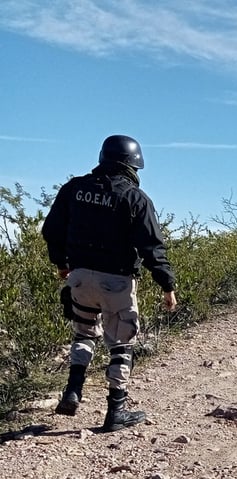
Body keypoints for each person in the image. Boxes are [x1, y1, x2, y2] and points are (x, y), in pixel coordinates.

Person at [42, 134, 177, 432]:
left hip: (79, 277)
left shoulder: (74, 188)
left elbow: (51, 229)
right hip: (117, 281)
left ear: (103, 158)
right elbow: (152, 247)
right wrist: (167, 285)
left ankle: (73, 391)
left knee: (84, 333)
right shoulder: (135, 198)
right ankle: (116, 411)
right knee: (121, 344)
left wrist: (62, 264)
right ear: (133, 165)